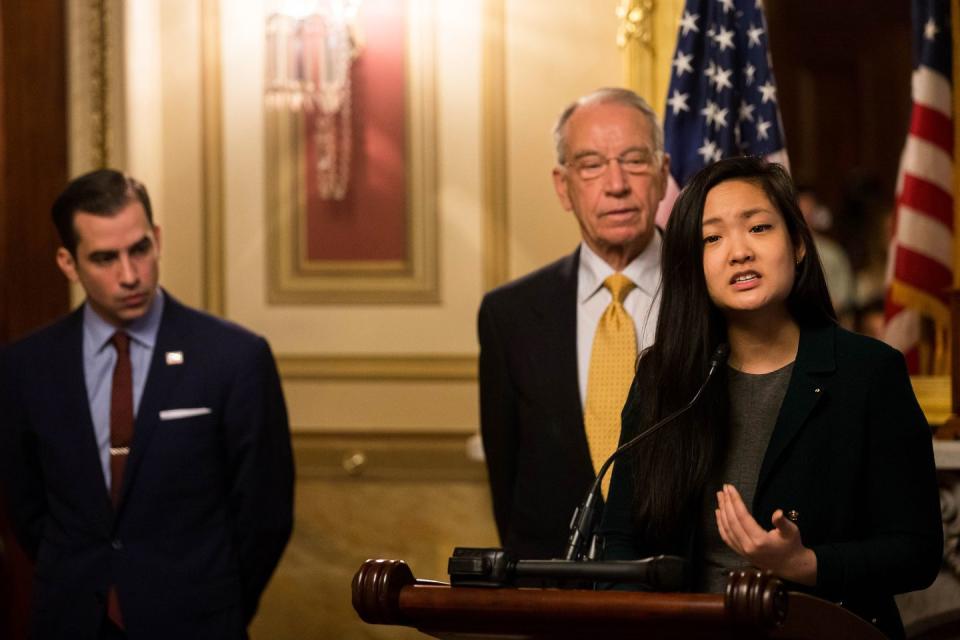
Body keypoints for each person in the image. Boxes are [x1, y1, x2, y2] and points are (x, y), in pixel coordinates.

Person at [600, 157, 942, 639]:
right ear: (692, 266)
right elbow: (621, 543)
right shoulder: (664, 378)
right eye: (712, 238)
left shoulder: (869, 372)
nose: (738, 252)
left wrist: (806, 564)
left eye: (758, 228)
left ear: (799, 244)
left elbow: (917, 552)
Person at [0, 169, 295, 639]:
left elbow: (266, 512)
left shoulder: (234, 357)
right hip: (71, 618)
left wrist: (219, 603)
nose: (129, 275)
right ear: (68, 263)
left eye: (139, 249)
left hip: (196, 620)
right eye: (104, 258)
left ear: (156, 239)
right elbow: (28, 508)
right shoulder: (25, 368)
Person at [479, 87, 669, 559]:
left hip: (686, 600)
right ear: (563, 186)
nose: (616, 183)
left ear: (663, 175)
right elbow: (508, 483)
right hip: (553, 600)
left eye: (634, 160)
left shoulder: (712, 298)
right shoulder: (510, 315)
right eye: (591, 165)